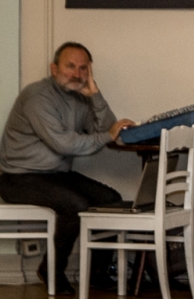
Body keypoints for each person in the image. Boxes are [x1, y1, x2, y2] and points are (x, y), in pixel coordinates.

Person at [0, 42, 136, 295]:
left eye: (83, 68)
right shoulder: (37, 96)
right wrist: (108, 134)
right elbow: (64, 144)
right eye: (70, 66)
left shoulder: (81, 97)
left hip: (55, 175)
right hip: (18, 177)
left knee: (111, 200)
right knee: (75, 205)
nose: (76, 73)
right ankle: (52, 270)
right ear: (54, 69)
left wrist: (95, 95)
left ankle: (97, 272)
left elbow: (107, 130)